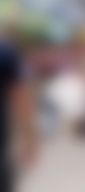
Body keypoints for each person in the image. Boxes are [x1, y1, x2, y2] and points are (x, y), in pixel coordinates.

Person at [1, 37, 38, 192]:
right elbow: (21, 98)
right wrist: (30, 139)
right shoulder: (5, 52)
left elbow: (21, 97)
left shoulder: (5, 53)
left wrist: (29, 138)